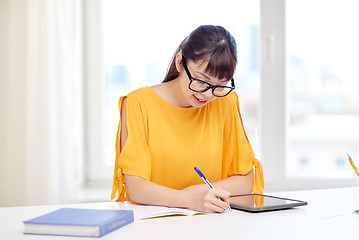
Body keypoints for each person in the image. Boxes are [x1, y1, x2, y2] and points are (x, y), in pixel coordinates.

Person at [111, 25, 264, 213]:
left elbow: (245, 182)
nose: (208, 94)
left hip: (215, 223)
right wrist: (189, 199)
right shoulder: (139, 103)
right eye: (201, 80)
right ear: (179, 62)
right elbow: (136, 188)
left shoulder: (226, 101)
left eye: (220, 85)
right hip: (155, 224)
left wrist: (198, 193)